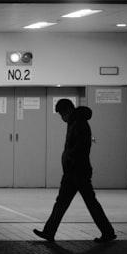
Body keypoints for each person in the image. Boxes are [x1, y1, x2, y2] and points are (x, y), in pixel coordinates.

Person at [34, 98, 117, 243]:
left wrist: (70, 159)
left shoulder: (79, 123)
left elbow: (81, 147)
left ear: (67, 110)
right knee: (63, 202)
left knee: (86, 202)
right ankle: (49, 232)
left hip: (77, 171)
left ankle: (108, 232)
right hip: (73, 171)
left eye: (61, 114)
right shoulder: (74, 122)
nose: (61, 118)